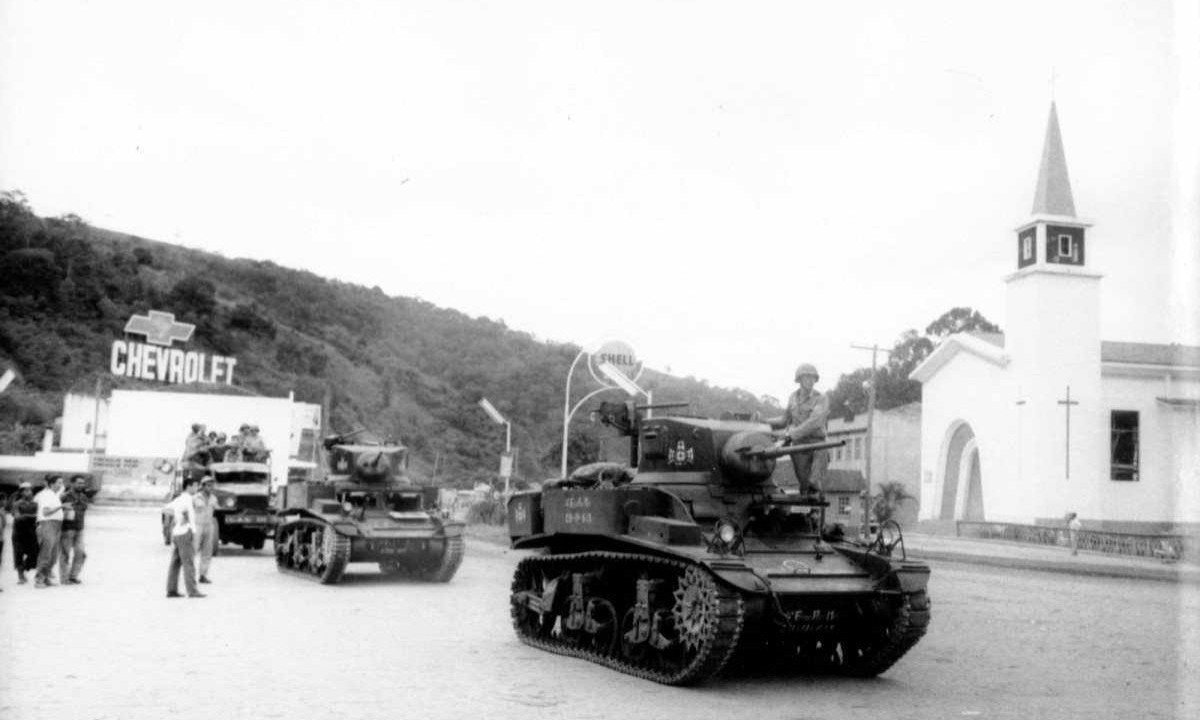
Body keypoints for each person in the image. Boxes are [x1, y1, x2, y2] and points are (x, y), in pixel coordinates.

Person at [768, 363, 831, 493]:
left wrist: (791, 435)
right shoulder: (793, 398)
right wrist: (763, 421)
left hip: (816, 444)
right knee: (804, 486)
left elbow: (815, 422)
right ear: (800, 379)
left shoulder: (821, 398)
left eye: (813, 377)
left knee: (814, 483)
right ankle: (807, 507)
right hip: (799, 446)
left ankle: (815, 488)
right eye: (806, 377)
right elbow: (784, 420)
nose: (810, 380)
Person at [165, 477, 205, 598]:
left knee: (175, 563)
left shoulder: (179, 499)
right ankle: (192, 591)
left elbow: (166, 509)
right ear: (189, 486)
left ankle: (171, 590)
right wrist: (184, 519)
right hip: (185, 532)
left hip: (177, 532)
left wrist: (177, 519)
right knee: (189, 563)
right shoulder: (188, 499)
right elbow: (192, 514)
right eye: (195, 486)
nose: (197, 488)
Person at [34, 475, 65, 588]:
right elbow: (46, 512)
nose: (61, 485)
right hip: (47, 524)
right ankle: (39, 580)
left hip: (56, 525)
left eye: (62, 483)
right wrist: (61, 506)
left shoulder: (54, 495)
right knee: (46, 553)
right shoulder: (46, 495)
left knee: (53, 554)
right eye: (59, 483)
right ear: (52, 484)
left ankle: (46, 578)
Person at [58, 475, 91, 584]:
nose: (81, 485)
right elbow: (56, 510)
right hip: (67, 529)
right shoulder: (64, 496)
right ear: (72, 483)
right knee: (65, 554)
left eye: (82, 483)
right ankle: (64, 578)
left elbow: (84, 510)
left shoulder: (84, 497)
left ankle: (73, 576)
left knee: (81, 553)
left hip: (79, 529)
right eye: (79, 483)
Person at [11, 482, 39, 584]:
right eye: (26, 490)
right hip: (18, 533)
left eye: (30, 490)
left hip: (31, 532)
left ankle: (24, 567)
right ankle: (21, 576)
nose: (29, 492)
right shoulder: (17, 503)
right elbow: (18, 517)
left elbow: (39, 516)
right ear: (21, 492)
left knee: (34, 553)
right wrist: (32, 516)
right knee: (18, 554)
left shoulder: (35, 503)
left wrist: (27, 516)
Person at [193, 476, 218, 584]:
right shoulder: (195, 498)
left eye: (212, 485)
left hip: (209, 526)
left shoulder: (213, 498)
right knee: (193, 550)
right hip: (197, 526)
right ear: (202, 486)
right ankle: (190, 575)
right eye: (208, 485)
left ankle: (203, 575)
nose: (211, 487)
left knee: (207, 552)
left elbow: (217, 509)